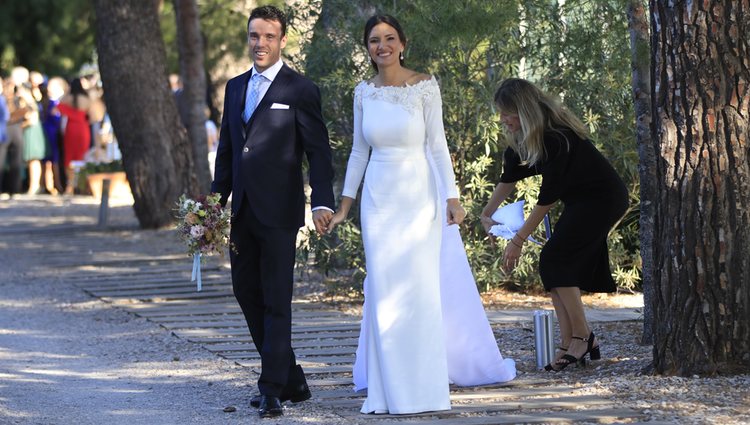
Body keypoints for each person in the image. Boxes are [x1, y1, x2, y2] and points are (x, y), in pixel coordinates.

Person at [325, 14, 514, 415]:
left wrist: (453, 197)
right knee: (384, 290)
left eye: (389, 38)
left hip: (419, 198)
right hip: (378, 199)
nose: (382, 46)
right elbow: (360, 151)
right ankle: (388, 391)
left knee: (420, 290)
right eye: (374, 40)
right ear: (368, 48)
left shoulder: (424, 86)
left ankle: (424, 391)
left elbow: (437, 145)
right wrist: (345, 203)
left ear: (403, 44)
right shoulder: (363, 93)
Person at [210, 5, 335, 419]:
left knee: (277, 300)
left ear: (282, 40)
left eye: (267, 36)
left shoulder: (300, 89)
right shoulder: (233, 87)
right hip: (243, 212)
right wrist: (214, 204)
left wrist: (321, 200)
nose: (259, 43)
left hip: (280, 213)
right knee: (246, 293)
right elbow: (228, 152)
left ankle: (271, 389)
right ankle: (292, 376)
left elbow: (318, 152)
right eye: (253, 36)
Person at [480, 78, 628, 371]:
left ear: (524, 110)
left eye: (508, 113)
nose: (503, 119)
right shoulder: (525, 138)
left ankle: (582, 336)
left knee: (556, 258)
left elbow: (547, 199)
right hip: (580, 201)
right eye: (501, 112)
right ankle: (571, 340)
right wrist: (486, 214)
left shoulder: (555, 137)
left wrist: (518, 241)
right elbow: (509, 177)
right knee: (552, 263)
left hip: (603, 198)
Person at [57, 77, 91, 195]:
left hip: (71, 129)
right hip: (83, 128)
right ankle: (81, 185)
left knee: (69, 157)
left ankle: (70, 185)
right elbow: (92, 113)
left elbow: (58, 106)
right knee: (82, 157)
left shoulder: (67, 98)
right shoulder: (87, 98)